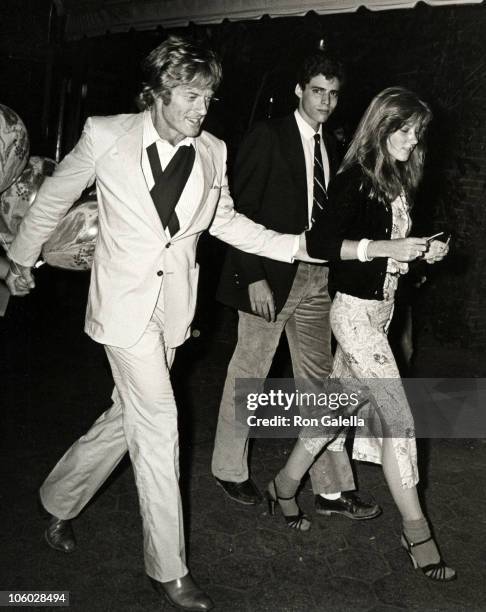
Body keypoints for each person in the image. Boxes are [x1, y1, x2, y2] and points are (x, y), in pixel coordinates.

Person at [6, 36, 312, 612]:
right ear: (157, 94)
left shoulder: (214, 151)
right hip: (122, 311)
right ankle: (168, 569)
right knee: (160, 424)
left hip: (171, 313)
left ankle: (57, 498)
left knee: (129, 417)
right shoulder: (105, 135)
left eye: (208, 96)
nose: (203, 107)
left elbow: (228, 223)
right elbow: (51, 200)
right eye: (191, 95)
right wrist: (22, 259)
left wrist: (299, 245)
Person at [270, 87, 455, 580]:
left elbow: (390, 257)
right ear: (382, 126)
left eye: (418, 133)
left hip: (383, 314)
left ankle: (284, 486)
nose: (413, 140)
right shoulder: (354, 178)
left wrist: (419, 254)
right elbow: (323, 243)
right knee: (399, 418)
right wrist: (384, 247)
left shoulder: (400, 180)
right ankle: (417, 532)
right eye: (405, 129)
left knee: (334, 412)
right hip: (352, 316)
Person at [212, 50, 380, 523]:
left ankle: (332, 490)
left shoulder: (334, 146)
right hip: (268, 275)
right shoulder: (268, 136)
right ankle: (229, 469)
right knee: (250, 371)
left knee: (320, 385)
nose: (325, 101)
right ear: (298, 91)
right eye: (317, 91)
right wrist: (254, 276)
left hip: (317, 278)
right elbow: (234, 215)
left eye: (332, 94)